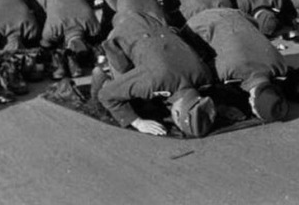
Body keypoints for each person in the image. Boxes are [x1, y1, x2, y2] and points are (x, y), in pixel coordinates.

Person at [96, 10, 217, 138]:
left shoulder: (204, 76)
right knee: (124, 77)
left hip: (155, 24)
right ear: (175, 113)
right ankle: (99, 76)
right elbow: (106, 95)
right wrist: (138, 123)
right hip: (125, 34)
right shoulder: (153, 80)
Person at [183, 8, 289, 123]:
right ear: (252, 100)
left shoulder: (281, 65)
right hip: (198, 22)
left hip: (236, 14)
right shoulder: (226, 70)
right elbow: (204, 79)